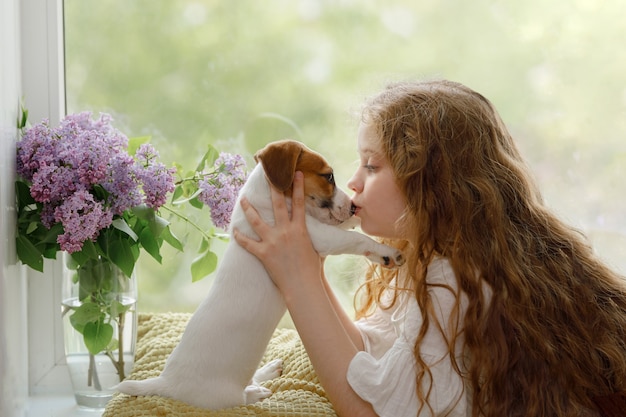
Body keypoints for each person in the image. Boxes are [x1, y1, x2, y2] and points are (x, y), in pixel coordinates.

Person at [233, 79, 626, 417]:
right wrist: (310, 264)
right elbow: (370, 361)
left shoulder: (453, 277)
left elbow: (371, 411)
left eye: (371, 165)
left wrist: (297, 280)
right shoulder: (424, 259)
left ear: (430, 183)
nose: (352, 181)